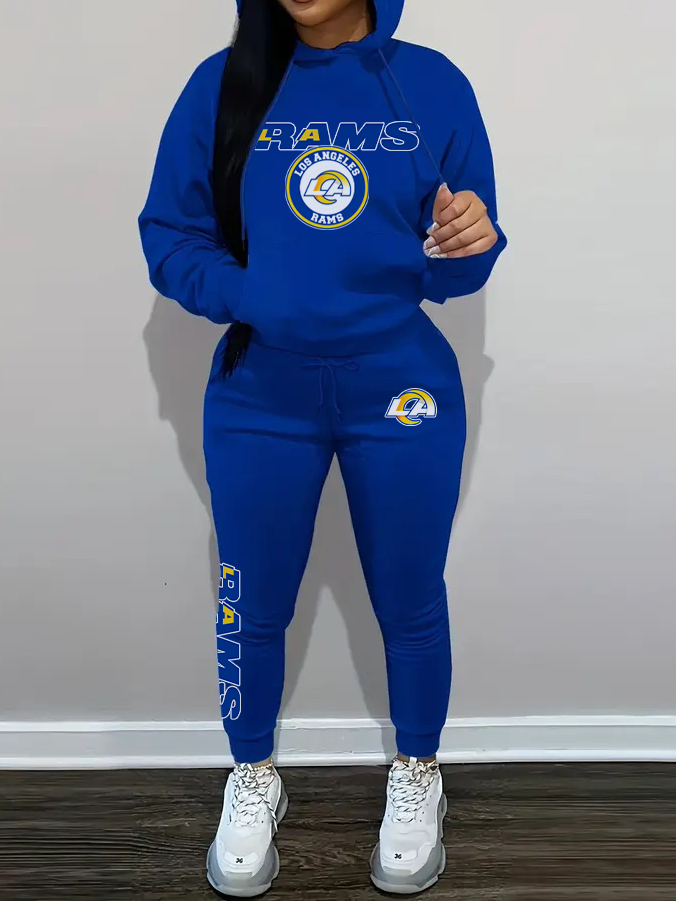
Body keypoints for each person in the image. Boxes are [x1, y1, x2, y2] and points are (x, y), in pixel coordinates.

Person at [139, 0, 506, 894]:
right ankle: (252, 771)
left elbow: (459, 266)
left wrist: (473, 240)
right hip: (262, 391)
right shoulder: (222, 86)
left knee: (410, 596)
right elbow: (170, 238)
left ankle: (417, 768)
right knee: (252, 599)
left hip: (401, 385)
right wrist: (257, 296)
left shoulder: (432, 85)